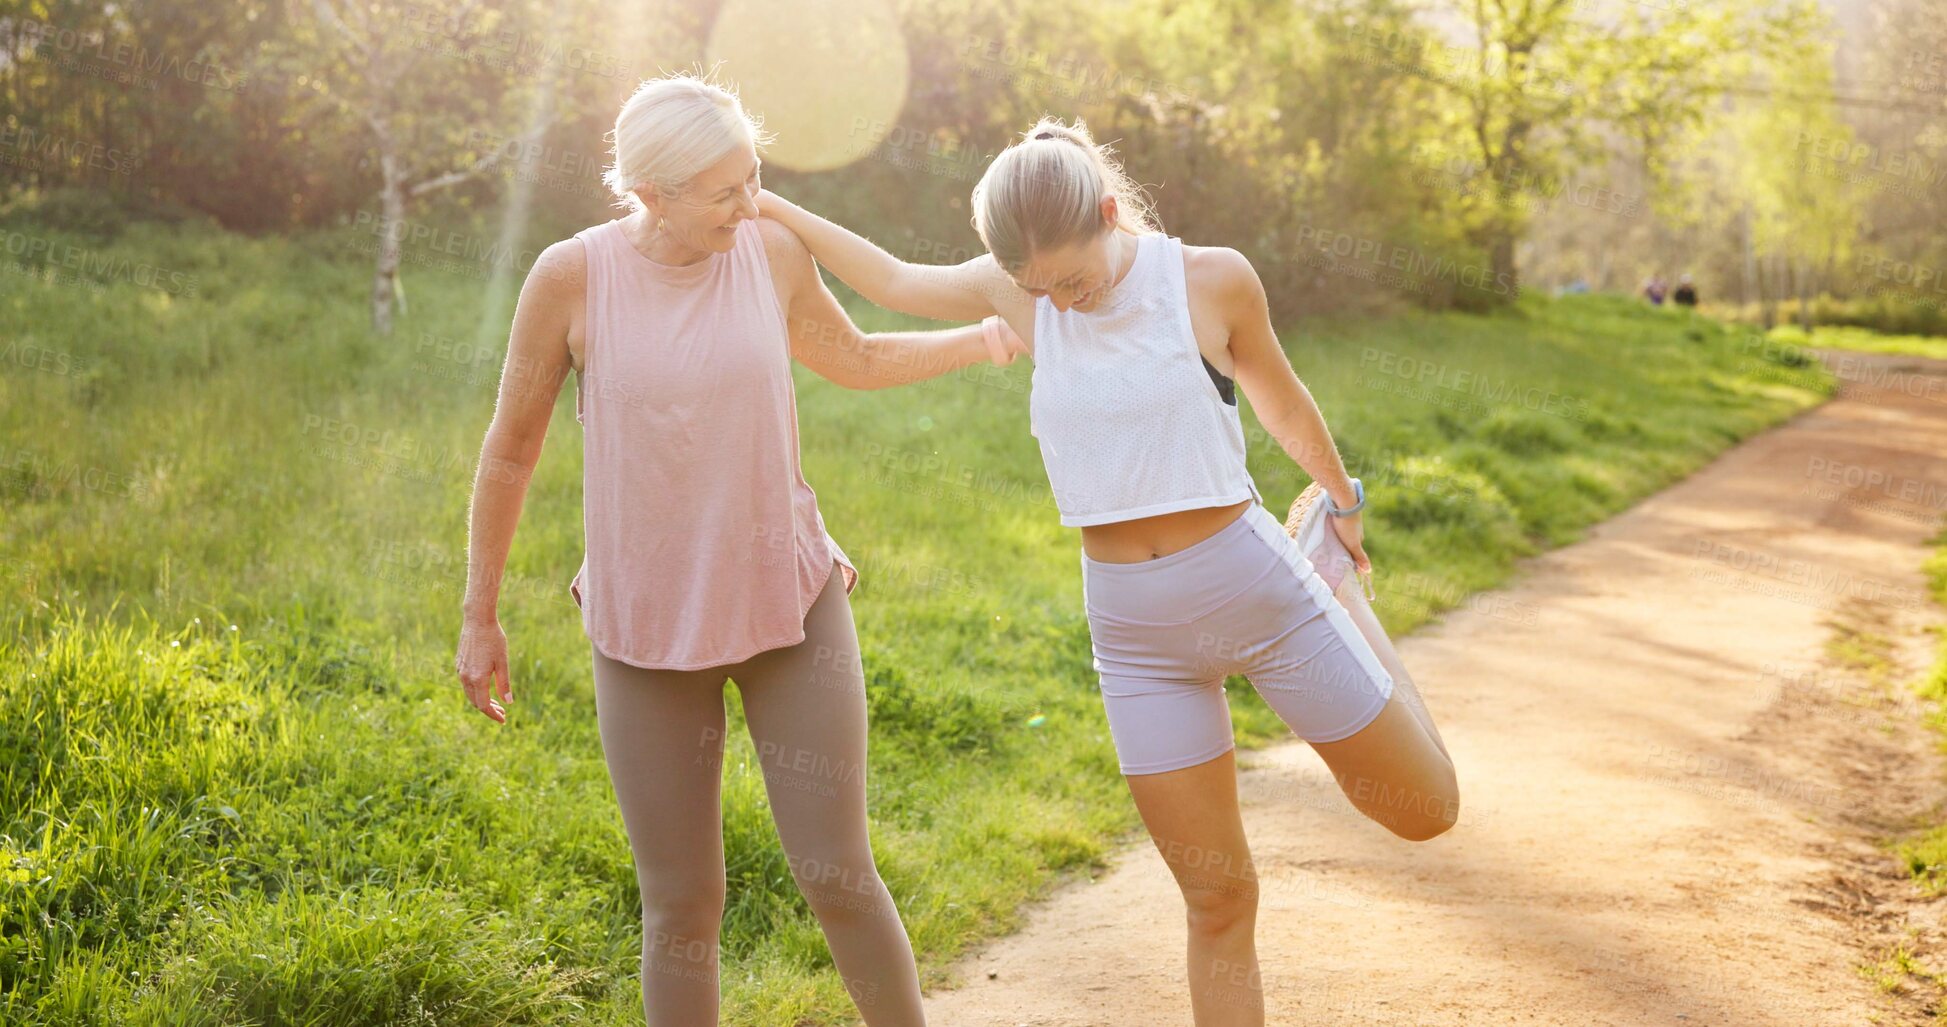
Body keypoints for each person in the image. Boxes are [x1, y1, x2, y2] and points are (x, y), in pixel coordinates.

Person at [758, 117, 1457, 1027]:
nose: (1061, 301)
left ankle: (1338, 588)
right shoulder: (1023, 296)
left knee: (1423, 810)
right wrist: (766, 201)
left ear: (1109, 212)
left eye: (1073, 278)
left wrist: (1341, 497)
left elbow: (1278, 394)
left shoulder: (1207, 278)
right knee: (1216, 899)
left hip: (1260, 593)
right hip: (1134, 639)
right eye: (1035, 287)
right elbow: (890, 280)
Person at [452, 73, 1012, 1026]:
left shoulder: (771, 250)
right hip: (645, 620)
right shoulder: (571, 277)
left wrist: (987, 337)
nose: (749, 204)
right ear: (651, 192)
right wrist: (479, 611)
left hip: (787, 601)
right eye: (724, 191)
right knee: (680, 905)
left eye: (753, 178)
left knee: (837, 873)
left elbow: (858, 358)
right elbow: (511, 446)